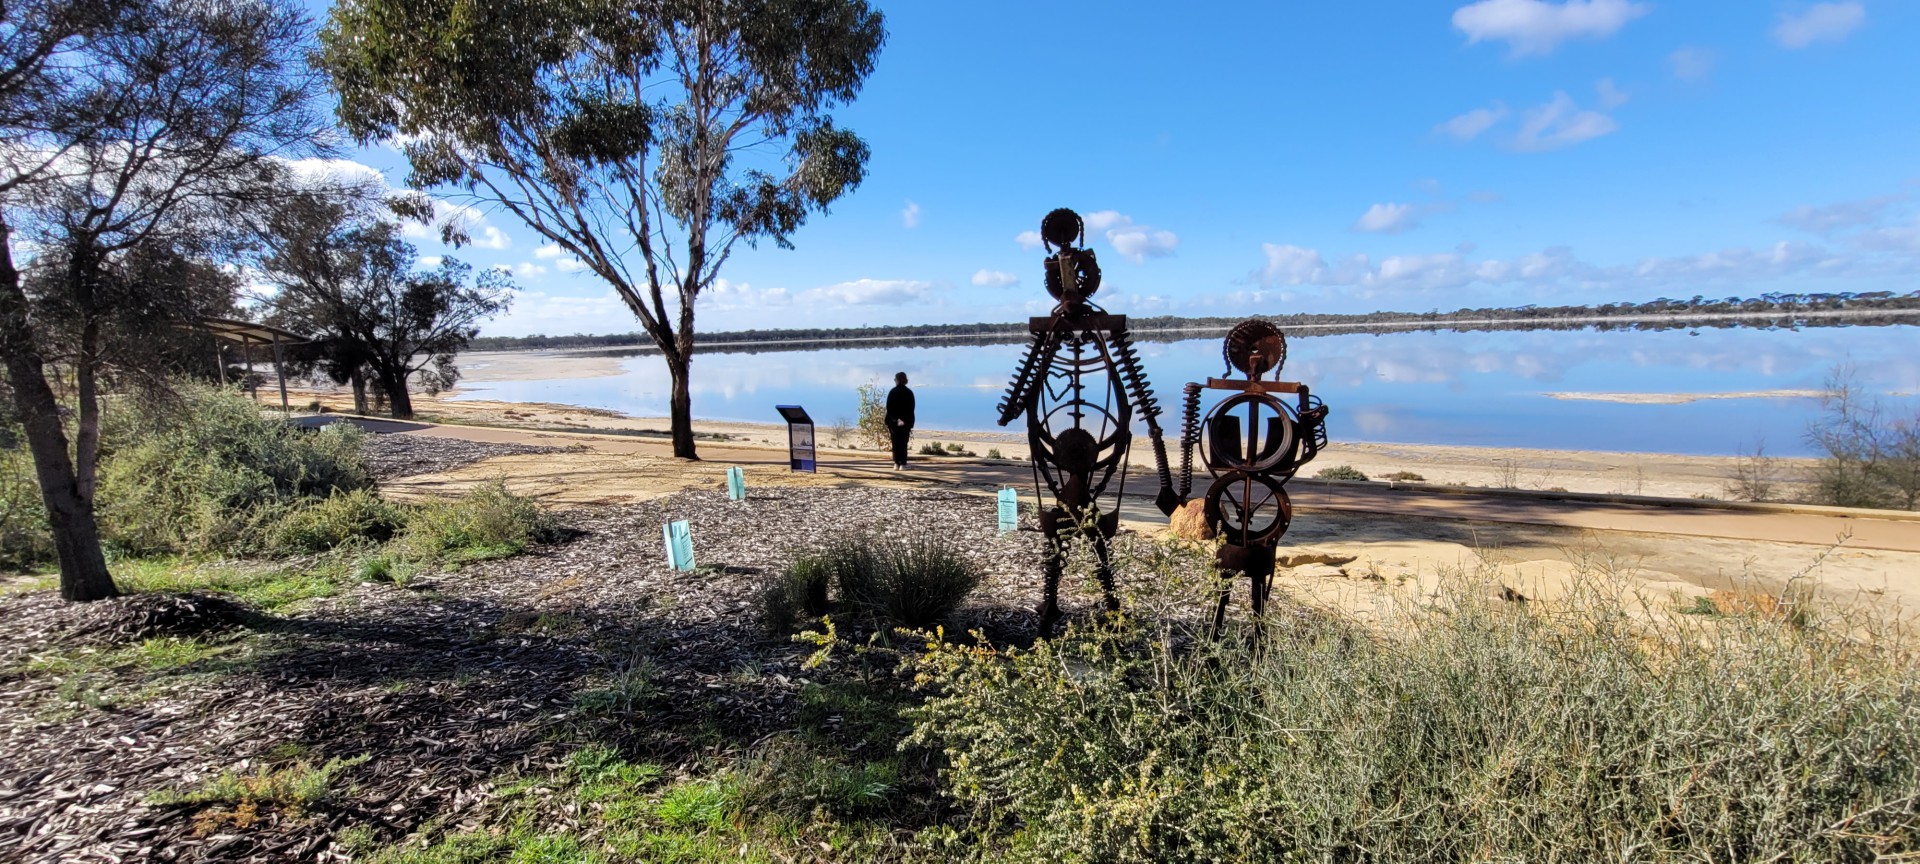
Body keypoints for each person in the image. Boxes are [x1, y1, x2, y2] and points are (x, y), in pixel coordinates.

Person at [885, 371, 915, 469]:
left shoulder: (892, 392)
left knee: (895, 442)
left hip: (893, 422)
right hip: (905, 423)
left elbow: (889, 408)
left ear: (897, 380)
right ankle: (903, 464)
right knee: (903, 442)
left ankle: (896, 463)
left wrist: (896, 420)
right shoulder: (909, 392)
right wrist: (904, 420)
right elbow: (911, 409)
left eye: (895, 379)